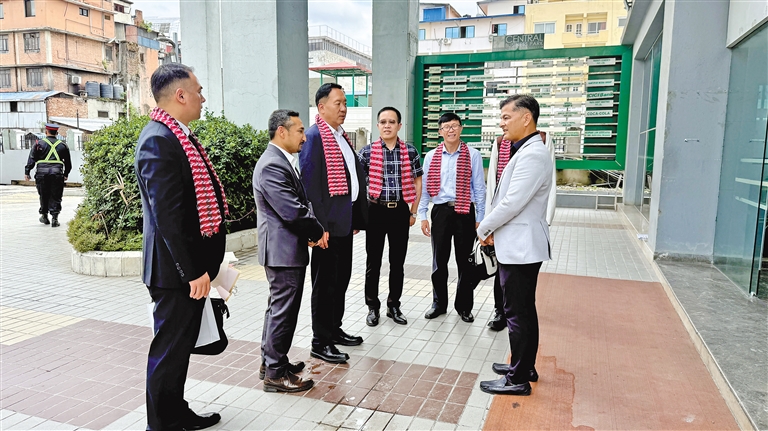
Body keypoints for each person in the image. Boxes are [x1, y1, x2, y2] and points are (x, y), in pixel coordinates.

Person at [134, 63, 226, 430]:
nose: (203, 98)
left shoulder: (177, 136)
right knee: (168, 351)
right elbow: (169, 217)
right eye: (198, 91)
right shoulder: (159, 140)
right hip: (174, 273)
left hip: (184, 270)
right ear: (181, 95)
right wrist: (193, 271)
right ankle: (160, 424)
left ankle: (175, 412)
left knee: (179, 350)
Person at [477, 94, 553, 396]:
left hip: (522, 247)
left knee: (517, 313)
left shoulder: (533, 155)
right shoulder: (527, 150)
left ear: (526, 118)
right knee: (522, 310)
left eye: (507, 117)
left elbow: (512, 202)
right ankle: (524, 366)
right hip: (519, 244)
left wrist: (484, 227)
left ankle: (517, 379)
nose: (502, 123)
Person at [253, 109, 325, 392]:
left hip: (284, 249)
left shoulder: (280, 160)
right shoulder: (273, 164)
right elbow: (292, 211)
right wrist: (317, 231)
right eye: (300, 131)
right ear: (281, 131)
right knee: (283, 312)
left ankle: (272, 361)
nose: (304, 137)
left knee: (277, 309)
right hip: (282, 252)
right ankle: (275, 374)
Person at [299, 83, 368, 364]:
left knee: (341, 281)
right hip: (327, 227)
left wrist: (355, 218)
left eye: (345, 103)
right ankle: (320, 341)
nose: (343, 108)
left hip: (344, 223)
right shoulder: (314, 137)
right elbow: (310, 187)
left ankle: (334, 329)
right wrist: (319, 227)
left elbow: (352, 178)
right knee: (325, 285)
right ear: (321, 106)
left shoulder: (340, 136)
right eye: (337, 103)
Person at [358, 107, 423, 326]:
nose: (387, 125)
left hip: (400, 211)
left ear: (399, 126)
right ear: (378, 125)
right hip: (375, 211)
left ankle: (394, 305)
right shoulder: (367, 152)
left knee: (397, 262)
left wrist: (413, 211)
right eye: (383, 122)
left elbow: (417, 182)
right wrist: (359, 215)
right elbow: (357, 185)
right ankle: (372, 307)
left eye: (392, 122)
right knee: (373, 262)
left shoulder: (410, 151)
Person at [418, 112, 486, 323]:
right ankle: (438, 304)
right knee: (439, 260)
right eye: (446, 127)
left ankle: (464, 306)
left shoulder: (473, 155)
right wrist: (422, 215)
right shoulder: (431, 156)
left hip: (465, 211)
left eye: (455, 125)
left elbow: (479, 188)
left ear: (461, 128)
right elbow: (425, 189)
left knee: (465, 261)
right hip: (441, 211)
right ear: (440, 131)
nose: (451, 130)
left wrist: (481, 217)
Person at [485, 136, 513, 331]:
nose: (503, 123)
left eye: (507, 120)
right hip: (501, 217)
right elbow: (491, 185)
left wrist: (547, 219)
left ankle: (517, 310)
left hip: (526, 222)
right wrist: (488, 223)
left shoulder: (542, 140)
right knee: (501, 267)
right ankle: (500, 311)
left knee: (522, 273)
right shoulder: (501, 143)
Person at [24, 124, 72, 227]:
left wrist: (27, 172)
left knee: (43, 194)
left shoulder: (38, 144)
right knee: (56, 195)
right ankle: (55, 218)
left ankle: (44, 216)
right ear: (57, 133)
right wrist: (66, 174)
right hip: (57, 174)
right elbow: (68, 163)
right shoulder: (63, 145)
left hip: (41, 174)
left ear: (46, 132)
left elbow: (32, 159)